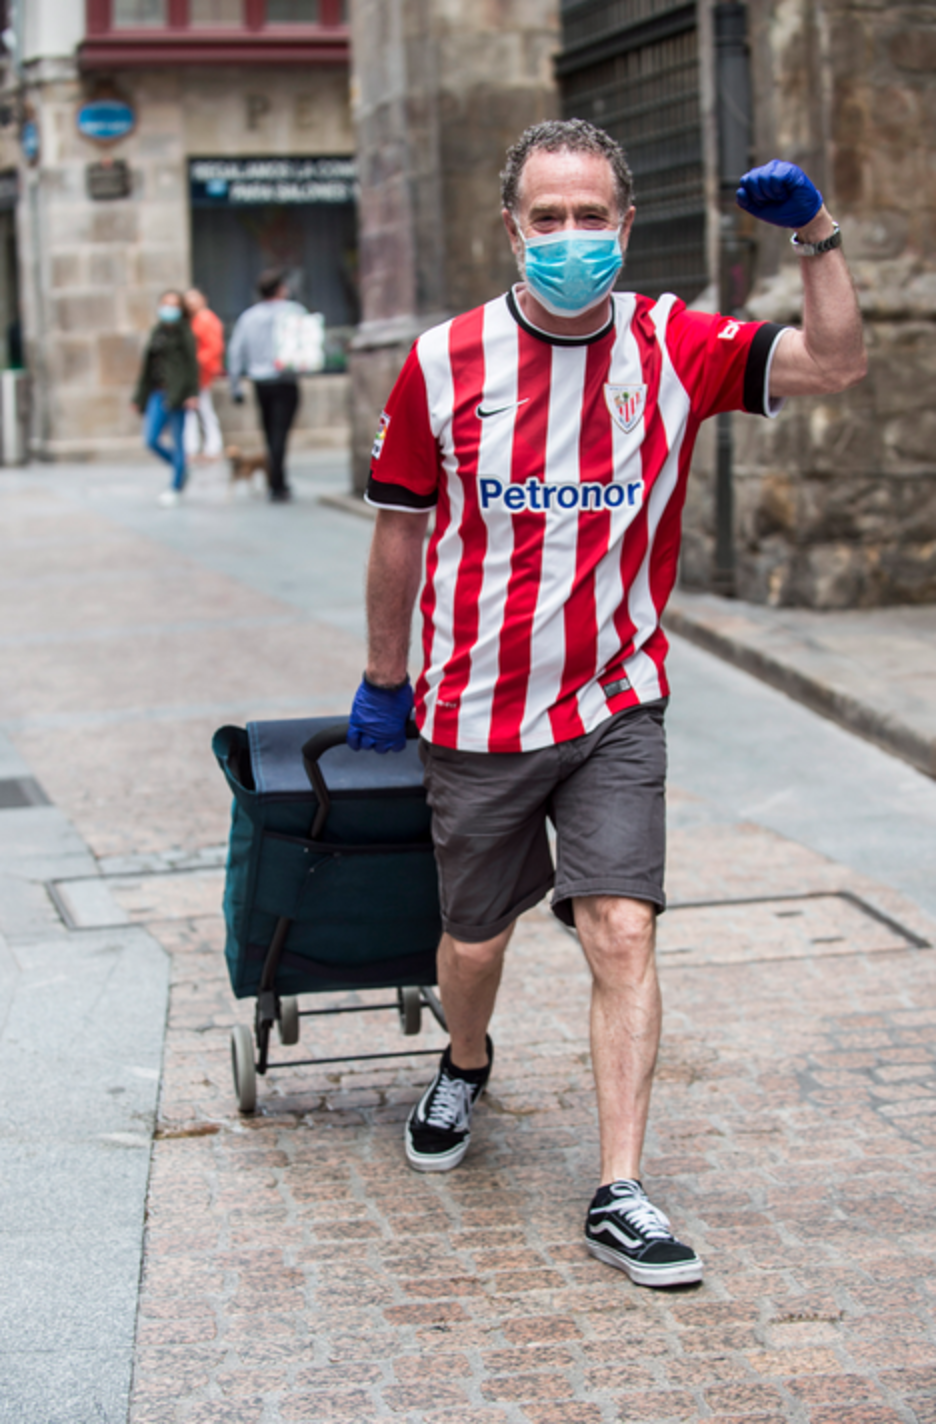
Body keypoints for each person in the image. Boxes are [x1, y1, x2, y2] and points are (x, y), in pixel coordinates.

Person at [347, 119, 866, 1289]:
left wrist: (816, 238)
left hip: (616, 698)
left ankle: (619, 1186)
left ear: (627, 228)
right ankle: (465, 1059)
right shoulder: (444, 361)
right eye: (549, 218)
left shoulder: (674, 343)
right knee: (472, 943)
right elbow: (398, 531)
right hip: (476, 709)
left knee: (620, 926)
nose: (571, 238)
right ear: (512, 230)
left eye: (593, 217)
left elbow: (835, 364)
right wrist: (388, 679)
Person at [227, 267, 303, 502]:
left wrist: (235, 386)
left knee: (271, 432)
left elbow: (235, 352)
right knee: (280, 433)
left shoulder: (249, 317)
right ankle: (277, 483)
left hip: (261, 382)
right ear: (280, 289)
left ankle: (276, 479)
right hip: (286, 380)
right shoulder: (294, 311)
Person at [131, 290, 200, 507]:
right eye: (165, 304)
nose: (168, 309)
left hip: (178, 393)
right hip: (157, 392)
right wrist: (139, 397)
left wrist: (192, 393)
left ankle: (176, 485)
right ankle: (182, 468)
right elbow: (147, 369)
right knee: (151, 439)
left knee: (179, 441)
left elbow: (192, 366)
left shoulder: (185, 333)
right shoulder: (157, 333)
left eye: (173, 305)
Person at [183, 287, 225, 461]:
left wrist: (196, 363)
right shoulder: (192, 320)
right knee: (193, 412)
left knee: (203, 410)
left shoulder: (206, 319)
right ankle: (194, 447)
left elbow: (213, 347)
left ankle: (211, 447)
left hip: (201, 373)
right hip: (193, 373)